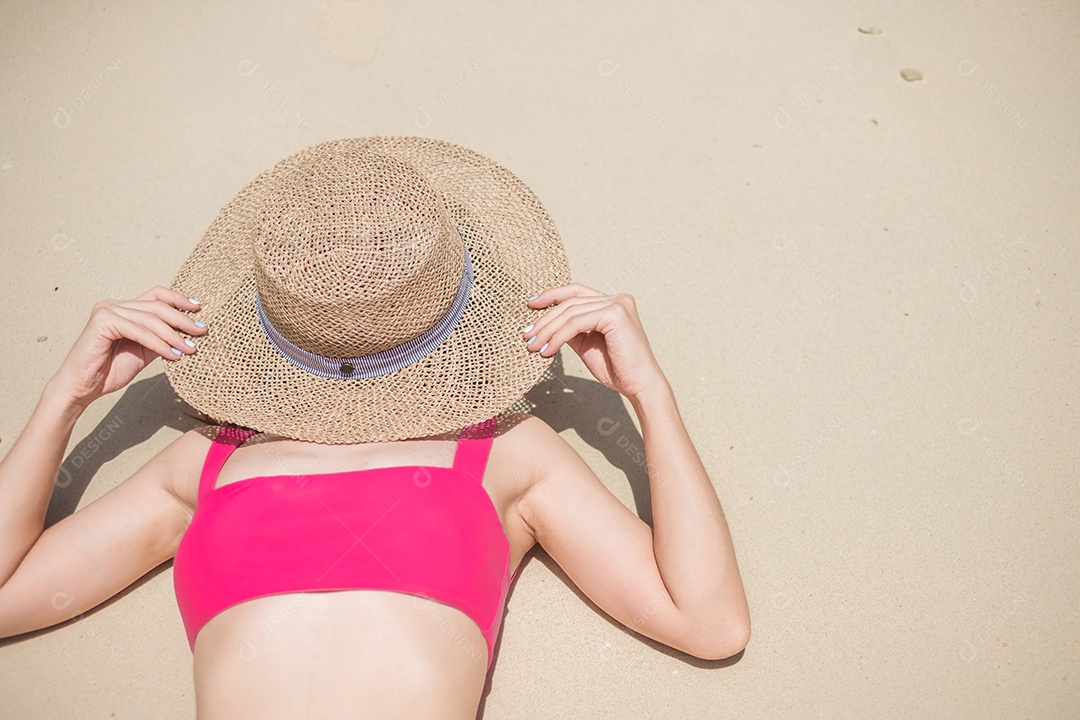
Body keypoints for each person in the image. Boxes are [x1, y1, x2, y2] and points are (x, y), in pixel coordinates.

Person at [0, 137, 749, 719]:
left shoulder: (507, 455)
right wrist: (66, 396)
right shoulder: (203, 463)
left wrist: (650, 393)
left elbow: (708, 621)